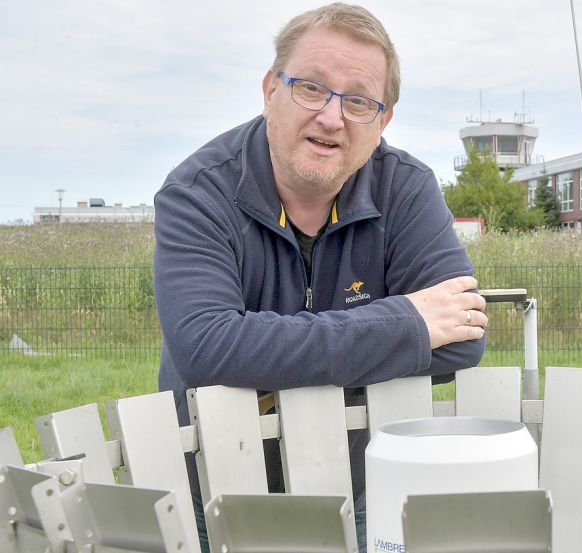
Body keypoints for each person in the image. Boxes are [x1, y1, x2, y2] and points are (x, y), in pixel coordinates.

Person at [152, 3, 487, 551]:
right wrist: (406, 326)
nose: (331, 117)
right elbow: (206, 349)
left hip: (358, 493)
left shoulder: (406, 190)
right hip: (220, 493)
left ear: (382, 123)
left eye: (358, 100)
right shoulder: (198, 193)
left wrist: (263, 355)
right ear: (269, 90)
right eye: (311, 87)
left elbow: (464, 339)